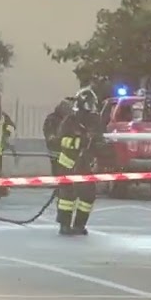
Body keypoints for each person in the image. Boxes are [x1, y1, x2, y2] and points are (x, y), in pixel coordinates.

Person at [54, 87, 104, 235]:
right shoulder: (70, 121)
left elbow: (99, 139)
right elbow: (60, 141)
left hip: (85, 165)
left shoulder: (95, 121)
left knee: (88, 195)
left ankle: (80, 225)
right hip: (69, 164)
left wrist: (99, 144)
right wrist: (78, 142)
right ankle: (64, 225)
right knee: (67, 196)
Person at [43, 96, 75, 175]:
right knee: (59, 173)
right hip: (57, 152)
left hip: (71, 152)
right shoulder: (52, 119)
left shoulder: (73, 120)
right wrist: (54, 139)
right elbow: (49, 134)